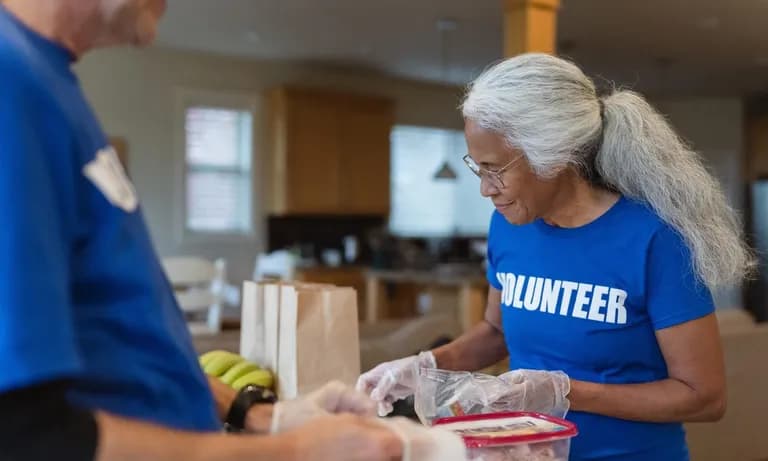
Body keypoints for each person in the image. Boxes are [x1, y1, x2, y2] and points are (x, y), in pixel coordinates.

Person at [0, 1, 422, 460]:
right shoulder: (11, 81)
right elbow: (25, 433)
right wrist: (295, 451)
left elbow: (112, 332)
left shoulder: (44, 77)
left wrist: (259, 414)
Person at [358, 53, 754, 461]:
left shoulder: (655, 240)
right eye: (478, 169)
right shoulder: (508, 228)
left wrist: (565, 392)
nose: (485, 190)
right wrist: (421, 366)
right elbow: (496, 332)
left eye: (495, 169)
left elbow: (704, 397)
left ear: (554, 154)